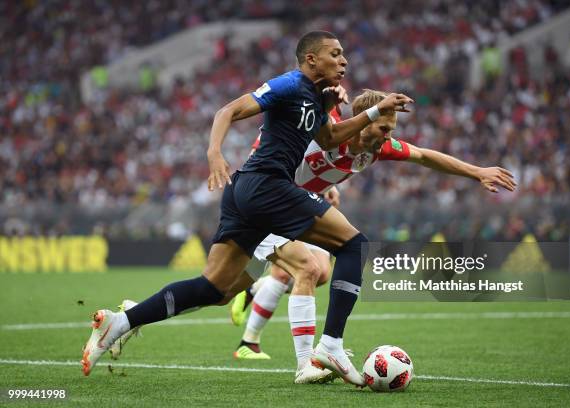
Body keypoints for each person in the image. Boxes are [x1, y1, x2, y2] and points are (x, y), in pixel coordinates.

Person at [81, 30, 413, 387]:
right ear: (311, 59)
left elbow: (330, 138)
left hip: (246, 191)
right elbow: (229, 110)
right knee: (354, 245)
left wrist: (375, 110)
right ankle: (329, 345)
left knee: (214, 289)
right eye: (335, 54)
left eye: (344, 54)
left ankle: (122, 322)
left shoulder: (315, 99)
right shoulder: (288, 84)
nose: (344, 60)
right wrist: (214, 151)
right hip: (268, 185)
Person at [230, 89, 516, 379]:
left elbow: (424, 156)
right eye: (383, 128)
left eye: (391, 130)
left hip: (300, 207)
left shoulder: (379, 148)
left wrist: (477, 172)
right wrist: (327, 89)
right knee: (305, 269)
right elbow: (300, 108)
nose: (387, 135)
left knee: (322, 274)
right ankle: (300, 361)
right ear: (364, 120)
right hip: (268, 200)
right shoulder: (329, 128)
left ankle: (256, 291)